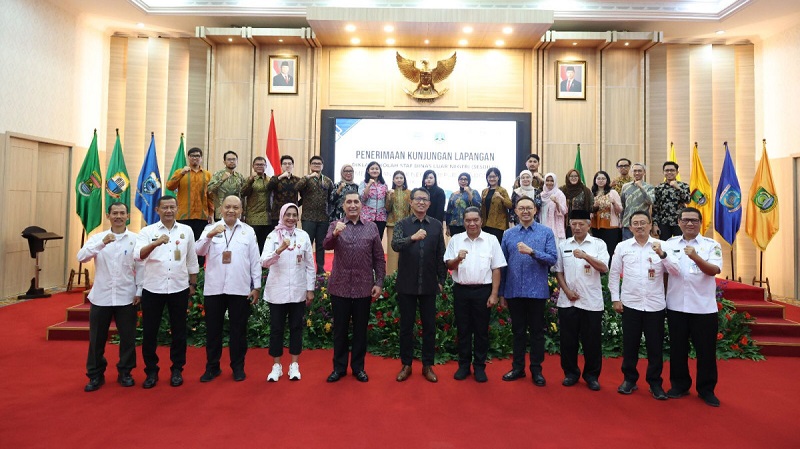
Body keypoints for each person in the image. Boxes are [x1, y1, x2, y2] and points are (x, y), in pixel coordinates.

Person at [659, 207, 723, 407]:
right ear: (678, 222)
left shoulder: (711, 245)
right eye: (685, 220)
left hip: (703, 308)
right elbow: (664, 272)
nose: (689, 224)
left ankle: (706, 389)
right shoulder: (669, 244)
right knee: (678, 349)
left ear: (700, 223)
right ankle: (679, 385)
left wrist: (695, 256)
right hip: (677, 306)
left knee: (706, 351)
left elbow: (713, 270)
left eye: (694, 220)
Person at [134, 195, 200, 389]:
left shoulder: (186, 230)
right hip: (153, 288)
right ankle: (151, 371)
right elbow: (138, 255)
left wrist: (193, 284)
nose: (169, 211)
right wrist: (155, 243)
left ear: (177, 209)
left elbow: (192, 259)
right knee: (150, 332)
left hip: (179, 288)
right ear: (157, 210)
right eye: (165, 208)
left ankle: (177, 369)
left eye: (172, 207)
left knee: (179, 332)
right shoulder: (147, 231)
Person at [77, 202, 142, 392]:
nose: (119, 216)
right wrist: (102, 243)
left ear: (128, 216)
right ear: (108, 216)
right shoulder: (97, 238)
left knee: (128, 339)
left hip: (126, 297)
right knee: (97, 339)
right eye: (115, 213)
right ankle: (95, 375)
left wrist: (140, 291)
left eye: (122, 213)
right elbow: (81, 257)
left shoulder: (136, 239)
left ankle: (125, 372)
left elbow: (141, 267)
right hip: (102, 297)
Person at [195, 196, 261, 383]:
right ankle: (212, 367)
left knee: (238, 331)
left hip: (239, 289)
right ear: (220, 209)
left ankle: (238, 367)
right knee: (213, 331)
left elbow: (254, 261)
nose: (231, 210)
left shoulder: (248, 232)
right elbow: (198, 251)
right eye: (228, 207)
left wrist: (256, 286)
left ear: (241, 210)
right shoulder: (209, 229)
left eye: (235, 207)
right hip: (214, 289)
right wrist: (209, 235)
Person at [323, 192, 386, 383]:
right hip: (340, 286)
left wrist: (379, 282)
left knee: (360, 331)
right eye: (348, 202)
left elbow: (378, 257)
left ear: (361, 205)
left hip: (363, 287)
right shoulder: (336, 225)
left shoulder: (371, 227)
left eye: (356, 202)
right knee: (340, 330)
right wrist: (335, 234)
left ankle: (358, 368)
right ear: (343, 206)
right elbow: (326, 245)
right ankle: (339, 368)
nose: (352, 205)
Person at [499, 196, 558, 385]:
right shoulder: (508, 234)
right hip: (514, 290)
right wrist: (501, 292)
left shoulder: (546, 232)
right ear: (515, 211)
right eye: (521, 208)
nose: (525, 211)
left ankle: (536, 370)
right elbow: (502, 265)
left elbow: (552, 259)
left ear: (535, 211)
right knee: (517, 331)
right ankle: (517, 368)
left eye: (529, 208)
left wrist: (532, 252)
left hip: (536, 292)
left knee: (536, 333)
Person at [609, 210, 668, 400]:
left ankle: (655, 383)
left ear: (651, 225)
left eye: (643, 222)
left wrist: (664, 255)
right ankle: (629, 379)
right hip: (631, 303)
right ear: (630, 227)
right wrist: (615, 298)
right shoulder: (622, 246)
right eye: (635, 223)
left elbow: (674, 271)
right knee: (630, 344)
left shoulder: (662, 246)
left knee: (655, 346)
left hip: (655, 304)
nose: (639, 226)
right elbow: (614, 273)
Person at [444, 207, 506, 382]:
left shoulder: (491, 240)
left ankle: (479, 366)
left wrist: (494, 294)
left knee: (481, 331)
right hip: (461, 290)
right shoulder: (456, 240)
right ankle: (463, 366)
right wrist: (457, 259)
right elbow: (449, 265)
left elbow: (496, 269)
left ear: (481, 221)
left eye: (475, 220)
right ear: (464, 222)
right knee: (463, 330)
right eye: (468, 220)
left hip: (483, 291)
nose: (472, 223)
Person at [392, 187, 447, 383]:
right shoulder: (402, 224)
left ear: (430, 204)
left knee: (429, 327)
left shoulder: (435, 225)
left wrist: (441, 280)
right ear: (411, 202)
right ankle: (406, 365)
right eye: (418, 199)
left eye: (425, 200)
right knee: (406, 326)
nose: (421, 202)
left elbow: (441, 254)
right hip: (407, 283)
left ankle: (427, 365)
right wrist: (412, 238)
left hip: (429, 284)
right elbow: (395, 245)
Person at [553, 210, 609, 391]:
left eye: (581, 224)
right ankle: (570, 373)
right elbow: (558, 271)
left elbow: (603, 268)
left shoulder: (598, 244)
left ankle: (591, 376)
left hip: (591, 301)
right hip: (568, 301)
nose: (577, 227)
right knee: (568, 341)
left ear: (589, 225)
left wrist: (586, 256)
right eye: (574, 224)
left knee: (591, 341)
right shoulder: (563, 245)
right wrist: (567, 291)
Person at [261, 203, 316, 382]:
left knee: (296, 328)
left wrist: (310, 289)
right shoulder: (272, 236)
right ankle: (276, 366)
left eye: (294, 215)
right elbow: (264, 262)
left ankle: (294, 365)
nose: (291, 218)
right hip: (277, 291)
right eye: (288, 215)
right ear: (282, 215)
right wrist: (279, 250)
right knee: (277, 329)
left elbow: (309, 264)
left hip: (298, 291)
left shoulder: (303, 236)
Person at [164, 146, 213, 264]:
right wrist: (181, 173)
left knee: (200, 246)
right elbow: (170, 186)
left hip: (201, 216)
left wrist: (211, 213)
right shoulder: (181, 172)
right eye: (192, 156)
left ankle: (199, 273)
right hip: (184, 216)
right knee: (182, 244)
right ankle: (181, 269)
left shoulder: (207, 174)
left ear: (201, 158)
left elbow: (210, 196)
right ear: (188, 158)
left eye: (198, 156)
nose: (195, 158)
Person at [296, 155, 334, 274]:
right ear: (310, 165)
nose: (317, 165)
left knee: (321, 245)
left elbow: (331, 198)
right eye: (314, 163)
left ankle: (320, 270)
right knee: (306, 244)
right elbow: (296, 187)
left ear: (322, 166)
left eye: (319, 163)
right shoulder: (305, 179)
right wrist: (308, 177)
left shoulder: (327, 180)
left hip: (323, 218)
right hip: (308, 217)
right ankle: (305, 269)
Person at [652, 162, 691, 240]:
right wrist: (655, 224)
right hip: (663, 222)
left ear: (677, 172)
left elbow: (688, 200)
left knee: (681, 244)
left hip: (680, 222)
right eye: (667, 170)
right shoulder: (659, 187)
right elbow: (655, 208)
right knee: (665, 246)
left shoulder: (684, 186)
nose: (669, 172)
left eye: (672, 170)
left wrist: (678, 188)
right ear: (663, 172)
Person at [241, 156, 272, 252]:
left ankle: (263, 265)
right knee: (253, 244)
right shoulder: (249, 179)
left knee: (265, 243)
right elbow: (243, 193)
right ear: (253, 166)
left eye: (262, 164)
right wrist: (250, 182)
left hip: (267, 218)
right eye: (257, 164)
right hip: (253, 217)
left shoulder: (270, 180)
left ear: (266, 166)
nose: (260, 166)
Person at [590, 170, 623, 258]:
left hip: (611, 227)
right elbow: (588, 210)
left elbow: (620, 210)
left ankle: (609, 270)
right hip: (595, 226)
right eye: (598, 178)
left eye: (603, 178)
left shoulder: (613, 193)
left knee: (610, 250)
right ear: (595, 180)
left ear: (607, 180)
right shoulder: (592, 193)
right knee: (597, 250)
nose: (601, 180)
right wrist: (594, 207)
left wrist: (614, 203)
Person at [620, 163, 655, 240]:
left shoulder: (649, 187)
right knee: (628, 247)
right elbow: (622, 205)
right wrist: (621, 220)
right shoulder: (625, 186)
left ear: (644, 173)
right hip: (627, 223)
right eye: (635, 171)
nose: (637, 173)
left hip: (642, 223)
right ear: (632, 172)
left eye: (639, 171)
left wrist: (641, 188)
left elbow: (650, 202)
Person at [386, 170, 412, 273]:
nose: (399, 180)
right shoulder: (390, 192)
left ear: (404, 179)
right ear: (393, 180)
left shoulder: (410, 193)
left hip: (406, 225)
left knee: (406, 249)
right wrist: (388, 197)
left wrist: (410, 223)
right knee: (392, 251)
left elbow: (411, 209)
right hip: (392, 224)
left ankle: (405, 274)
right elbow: (387, 209)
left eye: (401, 178)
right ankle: (390, 276)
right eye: (397, 178)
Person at [208, 151, 246, 220]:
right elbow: (209, 189)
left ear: (237, 161)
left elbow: (243, 195)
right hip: (221, 213)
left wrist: (243, 212)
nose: (231, 161)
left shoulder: (239, 176)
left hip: (236, 213)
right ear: (224, 162)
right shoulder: (218, 174)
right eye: (229, 159)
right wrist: (221, 180)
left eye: (234, 159)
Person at [267, 155, 302, 228]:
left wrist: (295, 205)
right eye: (285, 164)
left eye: (289, 164)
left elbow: (304, 196)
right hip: (277, 214)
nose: (287, 165)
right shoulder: (275, 178)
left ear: (293, 165)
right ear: (281, 166)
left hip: (292, 215)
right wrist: (280, 177)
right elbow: (268, 187)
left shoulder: (298, 180)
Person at [480, 167, 512, 244]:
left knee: (496, 246)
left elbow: (510, 205)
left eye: (494, 176)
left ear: (498, 177)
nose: (492, 179)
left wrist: (501, 197)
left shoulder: (502, 190)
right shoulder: (484, 191)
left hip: (497, 225)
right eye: (489, 177)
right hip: (485, 224)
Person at [359, 161, 388, 239]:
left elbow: (386, 201)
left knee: (378, 240)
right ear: (368, 171)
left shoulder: (384, 184)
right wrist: (369, 185)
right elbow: (362, 198)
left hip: (381, 217)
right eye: (372, 169)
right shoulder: (363, 183)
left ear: (380, 171)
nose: (375, 170)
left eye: (377, 169)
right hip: (367, 216)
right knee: (366, 240)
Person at [445, 172, 481, 237]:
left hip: (468, 224)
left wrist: (469, 192)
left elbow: (478, 206)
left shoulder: (473, 192)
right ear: (458, 181)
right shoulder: (454, 194)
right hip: (454, 225)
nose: (463, 181)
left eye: (465, 179)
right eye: (461, 179)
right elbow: (449, 211)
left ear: (469, 181)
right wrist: (447, 226)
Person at [560, 169, 594, 238]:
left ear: (579, 177)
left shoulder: (585, 191)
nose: (574, 178)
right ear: (568, 178)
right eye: (571, 176)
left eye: (576, 176)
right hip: (564, 224)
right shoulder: (562, 190)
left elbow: (591, 207)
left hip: (580, 223)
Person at [539, 172, 567, 242]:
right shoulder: (541, 195)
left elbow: (564, 211)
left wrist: (557, 202)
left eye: (552, 181)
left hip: (555, 225)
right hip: (543, 222)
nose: (549, 183)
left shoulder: (559, 194)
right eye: (547, 180)